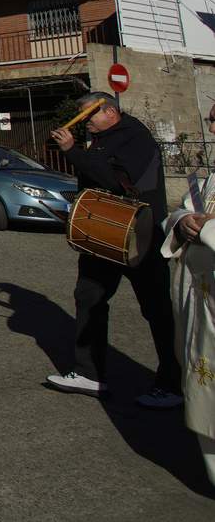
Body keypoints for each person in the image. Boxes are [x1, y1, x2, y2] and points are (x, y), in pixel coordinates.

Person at [45, 92, 181, 408]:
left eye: (88, 116)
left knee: (156, 309)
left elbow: (119, 182)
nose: (86, 122)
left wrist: (72, 151)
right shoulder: (103, 137)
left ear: (109, 111)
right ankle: (89, 373)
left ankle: (173, 384)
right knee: (88, 296)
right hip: (105, 234)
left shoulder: (135, 137)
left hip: (139, 234)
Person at [162, 100, 215, 484]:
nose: (211, 125)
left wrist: (209, 229)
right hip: (201, 303)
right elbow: (181, 209)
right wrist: (183, 222)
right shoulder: (211, 176)